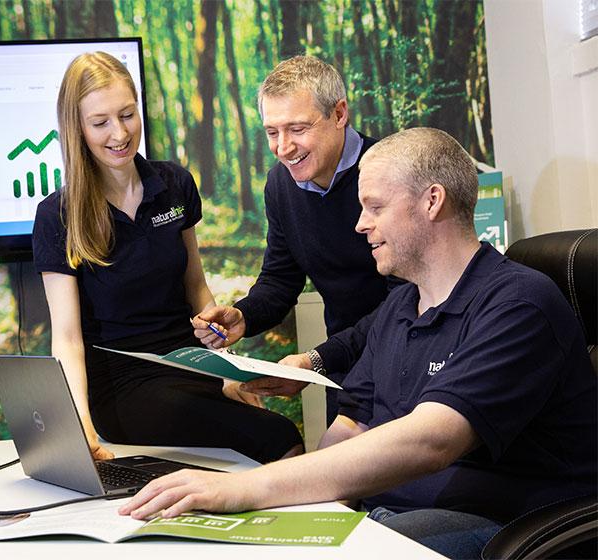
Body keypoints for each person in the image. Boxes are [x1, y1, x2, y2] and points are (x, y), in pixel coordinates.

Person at [120, 128, 598, 559]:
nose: (359, 224)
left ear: (432, 201)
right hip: (385, 511)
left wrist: (245, 488)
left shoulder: (518, 304)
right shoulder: (398, 307)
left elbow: (432, 440)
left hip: (498, 521)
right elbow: (351, 424)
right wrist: (292, 509)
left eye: (375, 207)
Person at [31, 52, 303, 465]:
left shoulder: (174, 183)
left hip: (192, 363)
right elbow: (66, 339)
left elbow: (196, 286)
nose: (119, 133)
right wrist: (81, 426)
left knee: (278, 433)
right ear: (77, 129)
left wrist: (227, 372)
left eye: (127, 115)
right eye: (100, 122)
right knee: (276, 437)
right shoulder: (58, 215)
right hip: (123, 384)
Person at [192, 56, 393, 420]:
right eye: (272, 132)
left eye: (297, 129)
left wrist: (318, 359)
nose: (283, 148)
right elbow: (280, 280)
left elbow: (406, 301)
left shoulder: (390, 174)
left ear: (339, 114)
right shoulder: (281, 184)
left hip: (407, 356)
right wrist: (242, 315)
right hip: (346, 368)